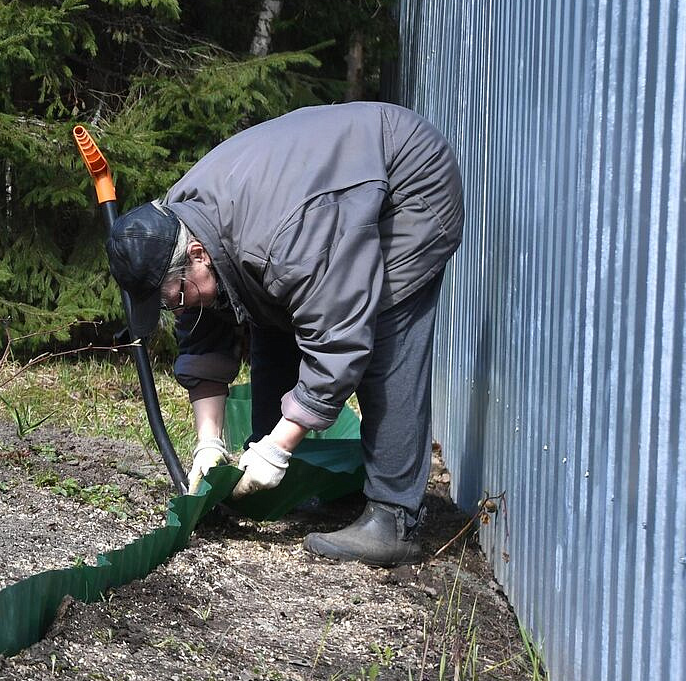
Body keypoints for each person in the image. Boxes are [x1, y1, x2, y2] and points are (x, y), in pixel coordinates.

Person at [105, 102, 463, 566]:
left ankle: (394, 519)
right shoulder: (182, 228)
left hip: (409, 182)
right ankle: (283, 482)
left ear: (196, 254)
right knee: (267, 316)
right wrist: (208, 442)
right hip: (323, 194)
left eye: (174, 295)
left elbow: (339, 341)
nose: (175, 306)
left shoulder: (284, 242)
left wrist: (277, 449)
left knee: (384, 333)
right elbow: (203, 331)